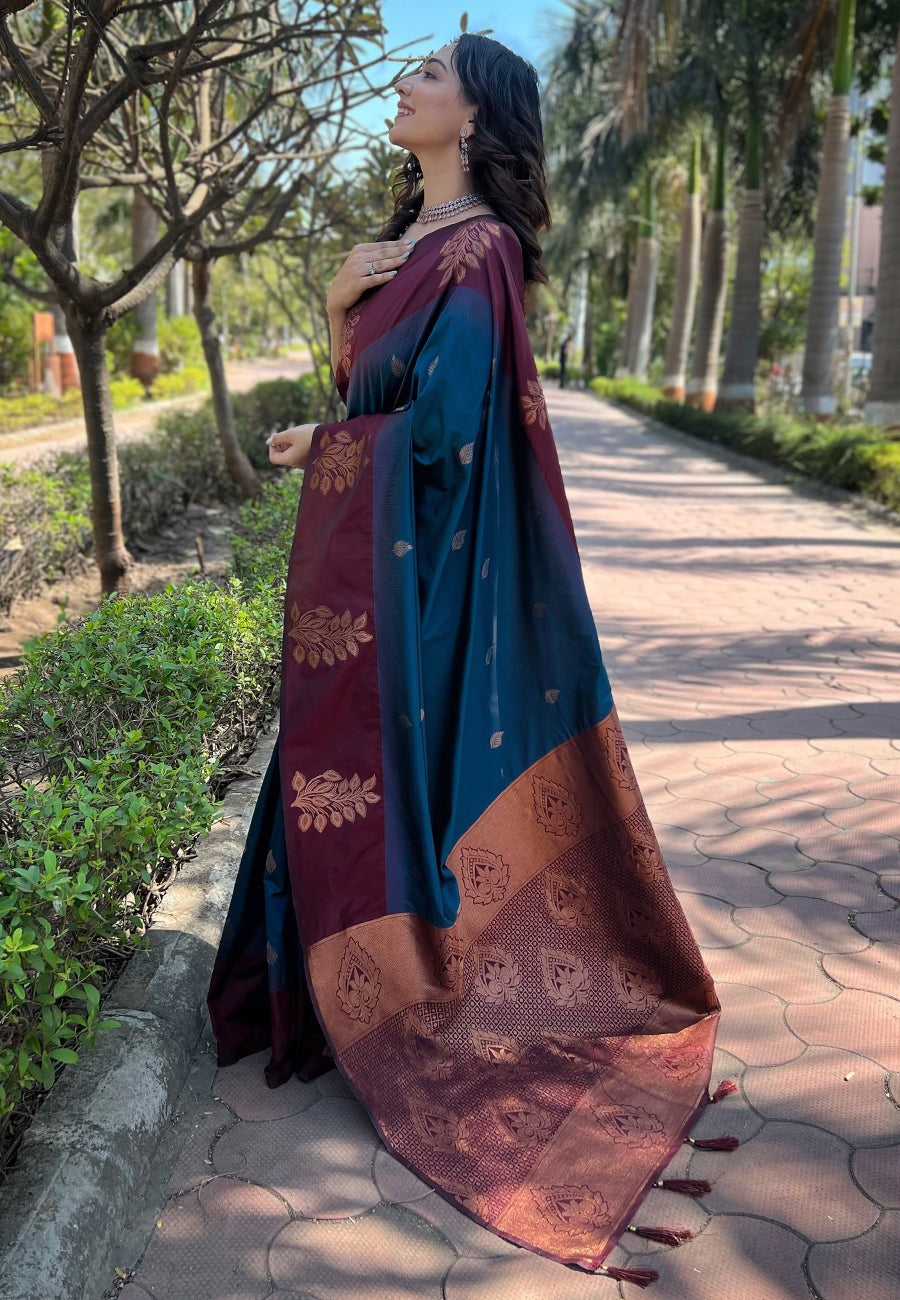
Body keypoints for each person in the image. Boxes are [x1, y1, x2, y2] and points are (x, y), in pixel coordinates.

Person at [208, 34, 733, 1288]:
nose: (403, 85)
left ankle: (395, 992)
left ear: (477, 113)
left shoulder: (481, 251)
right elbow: (376, 386)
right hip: (381, 572)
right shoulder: (405, 251)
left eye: (427, 75)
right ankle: (341, 992)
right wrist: (341, 307)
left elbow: (438, 435)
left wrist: (316, 452)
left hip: (430, 578)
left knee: (390, 772)